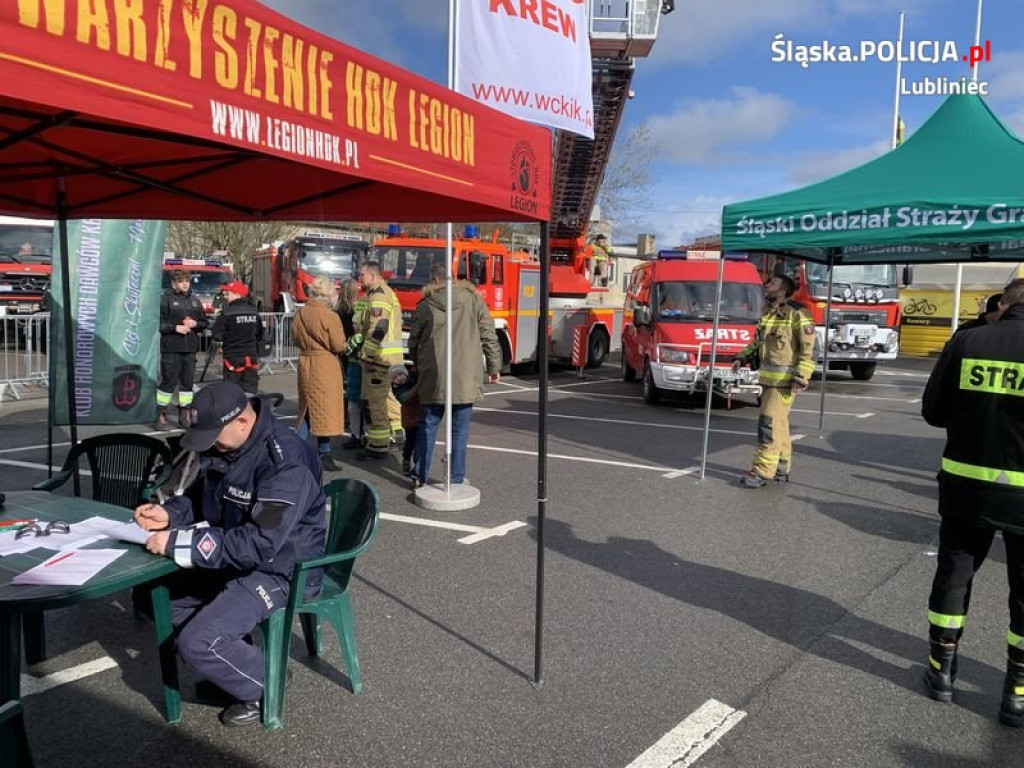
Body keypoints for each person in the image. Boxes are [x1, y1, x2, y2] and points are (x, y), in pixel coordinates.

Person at [134, 381, 326, 727]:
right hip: (239, 556)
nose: (210, 446)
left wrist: (179, 543)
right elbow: (199, 496)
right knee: (160, 600)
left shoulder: (284, 462)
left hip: (281, 568)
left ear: (242, 421)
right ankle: (235, 665)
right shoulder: (229, 447)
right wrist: (170, 514)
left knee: (198, 642)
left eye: (214, 435)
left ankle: (265, 683)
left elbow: (259, 544)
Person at [920, 279, 1024, 726]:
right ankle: (1016, 693)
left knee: (955, 573)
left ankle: (941, 671)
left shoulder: (967, 341)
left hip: (965, 484)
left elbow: (933, 411)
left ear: (1003, 303)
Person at [407, 265, 501, 489]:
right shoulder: (473, 299)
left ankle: (420, 476)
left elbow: (413, 341)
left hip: (434, 375)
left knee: (428, 426)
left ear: (434, 280)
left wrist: (420, 365)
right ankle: (456, 477)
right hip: (465, 375)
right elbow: (489, 333)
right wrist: (494, 367)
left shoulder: (425, 305)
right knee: (460, 431)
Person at [731, 273, 815, 488]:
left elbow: (808, 350)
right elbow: (757, 342)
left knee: (768, 424)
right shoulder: (767, 313)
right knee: (779, 424)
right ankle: (780, 467)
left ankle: (761, 471)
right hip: (768, 382)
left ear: (784, 289)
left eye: (772, 283)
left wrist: (801, 377)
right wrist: (742, 357)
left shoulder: (798, 313)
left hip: (785, 383)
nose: (766, 286)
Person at [292, 276, 346, 472]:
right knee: (324, 410)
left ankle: (297, 450)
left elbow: (296, 338)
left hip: (306, 361)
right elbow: (338, 344)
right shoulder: (330, 316)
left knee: (307, 409)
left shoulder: (300, 313)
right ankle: (324, 452)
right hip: (324, 364)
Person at [355, 262, 404, 461]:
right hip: (388, 358)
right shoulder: (386, 293)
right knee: (387, 398)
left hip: (378, 359)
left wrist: (366, 352)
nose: (360, 278)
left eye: (363, 274)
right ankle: (396, 432)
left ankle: (377, 445)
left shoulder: (378, 296)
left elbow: (379, 326)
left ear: (373, 275)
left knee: (374, 403)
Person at [157, 269, 208, 430]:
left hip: (190, 349)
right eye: (181, 281)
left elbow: (204, 322)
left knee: (187, 384)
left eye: (187, 280)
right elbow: (157, 323)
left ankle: (184, 413)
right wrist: (175, 328)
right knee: (168, 383)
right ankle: (160, 414)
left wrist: (196, 324)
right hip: (171, 349)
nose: (185, 283)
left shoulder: (195, 301)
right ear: (174, 283)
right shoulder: (165, 300)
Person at [211, 281, 263, 395]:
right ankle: (250, 411)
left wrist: (223, 340)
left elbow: (216, 334)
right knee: (250, 390)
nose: (225, 297)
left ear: (237, 295)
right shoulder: (254, 312)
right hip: (251, 355)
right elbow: (260, 334)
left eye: (228, 294)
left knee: (232, 392)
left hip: (232, 356)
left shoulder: (227, 313)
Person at [337, 278, 366, 449]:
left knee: (348, 390)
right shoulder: (357, 308)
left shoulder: (337, 310)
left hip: (345, 350)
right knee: (357, 395)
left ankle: (349, 423)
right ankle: (360, 430)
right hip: (355, 352)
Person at [391, 364, 422, 477]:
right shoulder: (398, 389)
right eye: (395, 377)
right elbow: (406, 398)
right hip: (410, 419)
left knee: (420, 443)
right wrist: (420, 384)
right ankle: (406, 459)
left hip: (420, 415)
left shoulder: (413, 377)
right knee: (410, 442)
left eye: (400, 374)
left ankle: (416, 465)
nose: (399, 378)